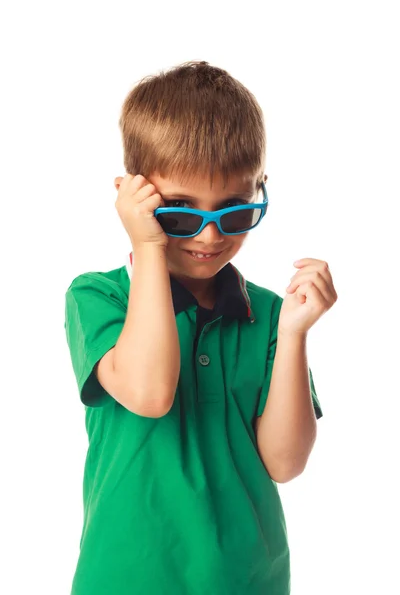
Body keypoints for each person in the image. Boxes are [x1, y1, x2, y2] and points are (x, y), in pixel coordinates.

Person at [64, 60, 337, 595]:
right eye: (181, 210)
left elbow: (284, 463)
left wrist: (296, 332)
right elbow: (147, 392)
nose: (210, 235)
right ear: (135, 197)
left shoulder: (268, 315)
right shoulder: (97, 296)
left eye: (234, 211)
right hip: (125, 579)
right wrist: (148, 245)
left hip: (249, 579)